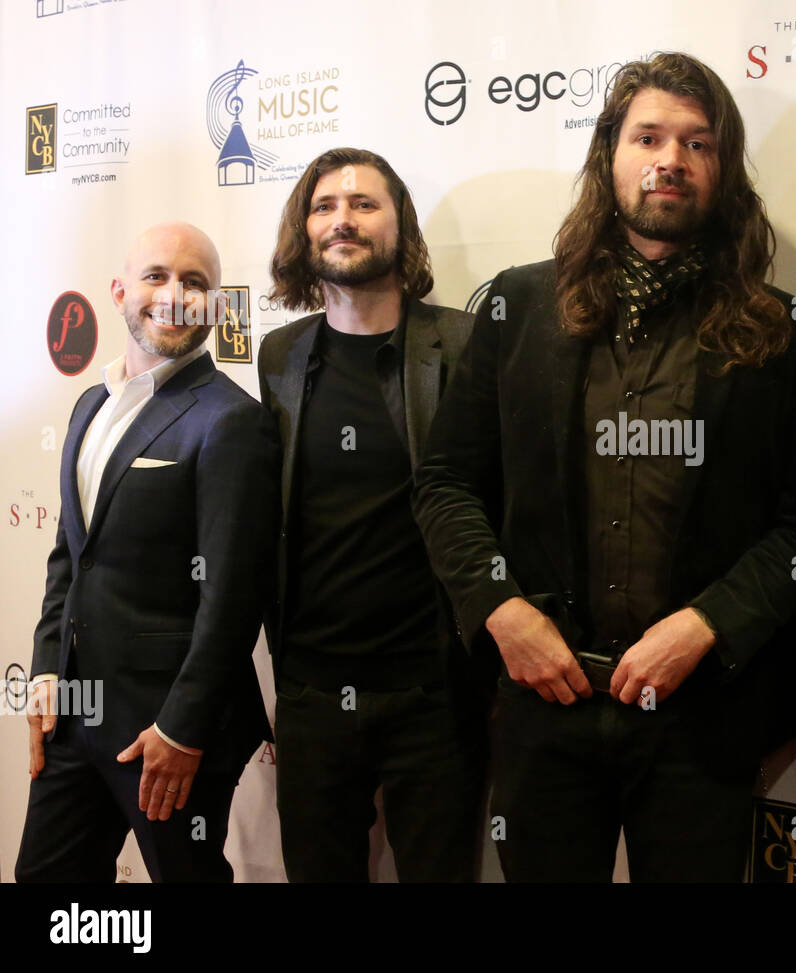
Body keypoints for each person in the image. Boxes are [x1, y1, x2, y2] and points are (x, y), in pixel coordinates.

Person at [413, 52, 796, 882]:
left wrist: (707, 624)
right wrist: (499, 608)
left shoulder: (781, 329)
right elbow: (446, 483)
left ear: (723, 170)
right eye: (649, 137)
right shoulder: (517, 306)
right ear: (611, 156)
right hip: (544, 704)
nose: (670, 159)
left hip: (701, 714)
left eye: (697, 143)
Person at [16, 222, 277, 883]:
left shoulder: (230, 419)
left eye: (196, 282)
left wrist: (183, 727)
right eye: (157, 275)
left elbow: (232, 596)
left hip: (166, 734)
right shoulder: (86, 406)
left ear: (217, 307)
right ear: (119, 290)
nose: (175, 294)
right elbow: (68, 557)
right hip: (77, 713)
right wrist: (49, 667)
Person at [258, 147, 485, 882]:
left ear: (400, 225)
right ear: (304, 229)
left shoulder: (462, 344)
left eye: (363, 203)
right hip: (312, 694)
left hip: (435, 694)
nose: (342, 220)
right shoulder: (279, 357)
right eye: (324, 206)